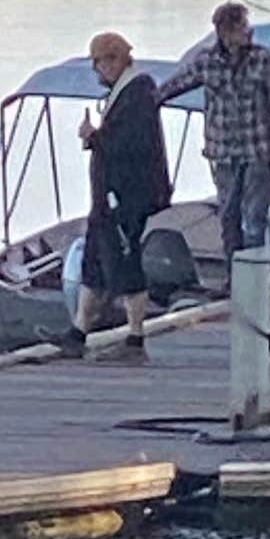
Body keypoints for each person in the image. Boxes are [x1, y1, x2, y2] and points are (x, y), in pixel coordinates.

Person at [161, 0, 270, 254]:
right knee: (228, 218)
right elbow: (176, 85)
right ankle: (233, 279)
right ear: (225, 31)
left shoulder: (262, 59)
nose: (249, 31)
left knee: (254, 220)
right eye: (243, 27)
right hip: (222, 152)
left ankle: (255, 278)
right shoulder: (206, 61)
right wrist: (147, 99)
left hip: (258, 150)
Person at [74, 28, 170, 356]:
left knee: (127, 264)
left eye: (99, 63)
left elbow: (132, 143)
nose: (97, 71)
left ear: (114, 60)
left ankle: (135, 336)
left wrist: (96, 136)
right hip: (107, 198)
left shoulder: (138, 92)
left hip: (127, 197)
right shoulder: (123, 93)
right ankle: (77, 331)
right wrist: (96, 138)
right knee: (93, 262)